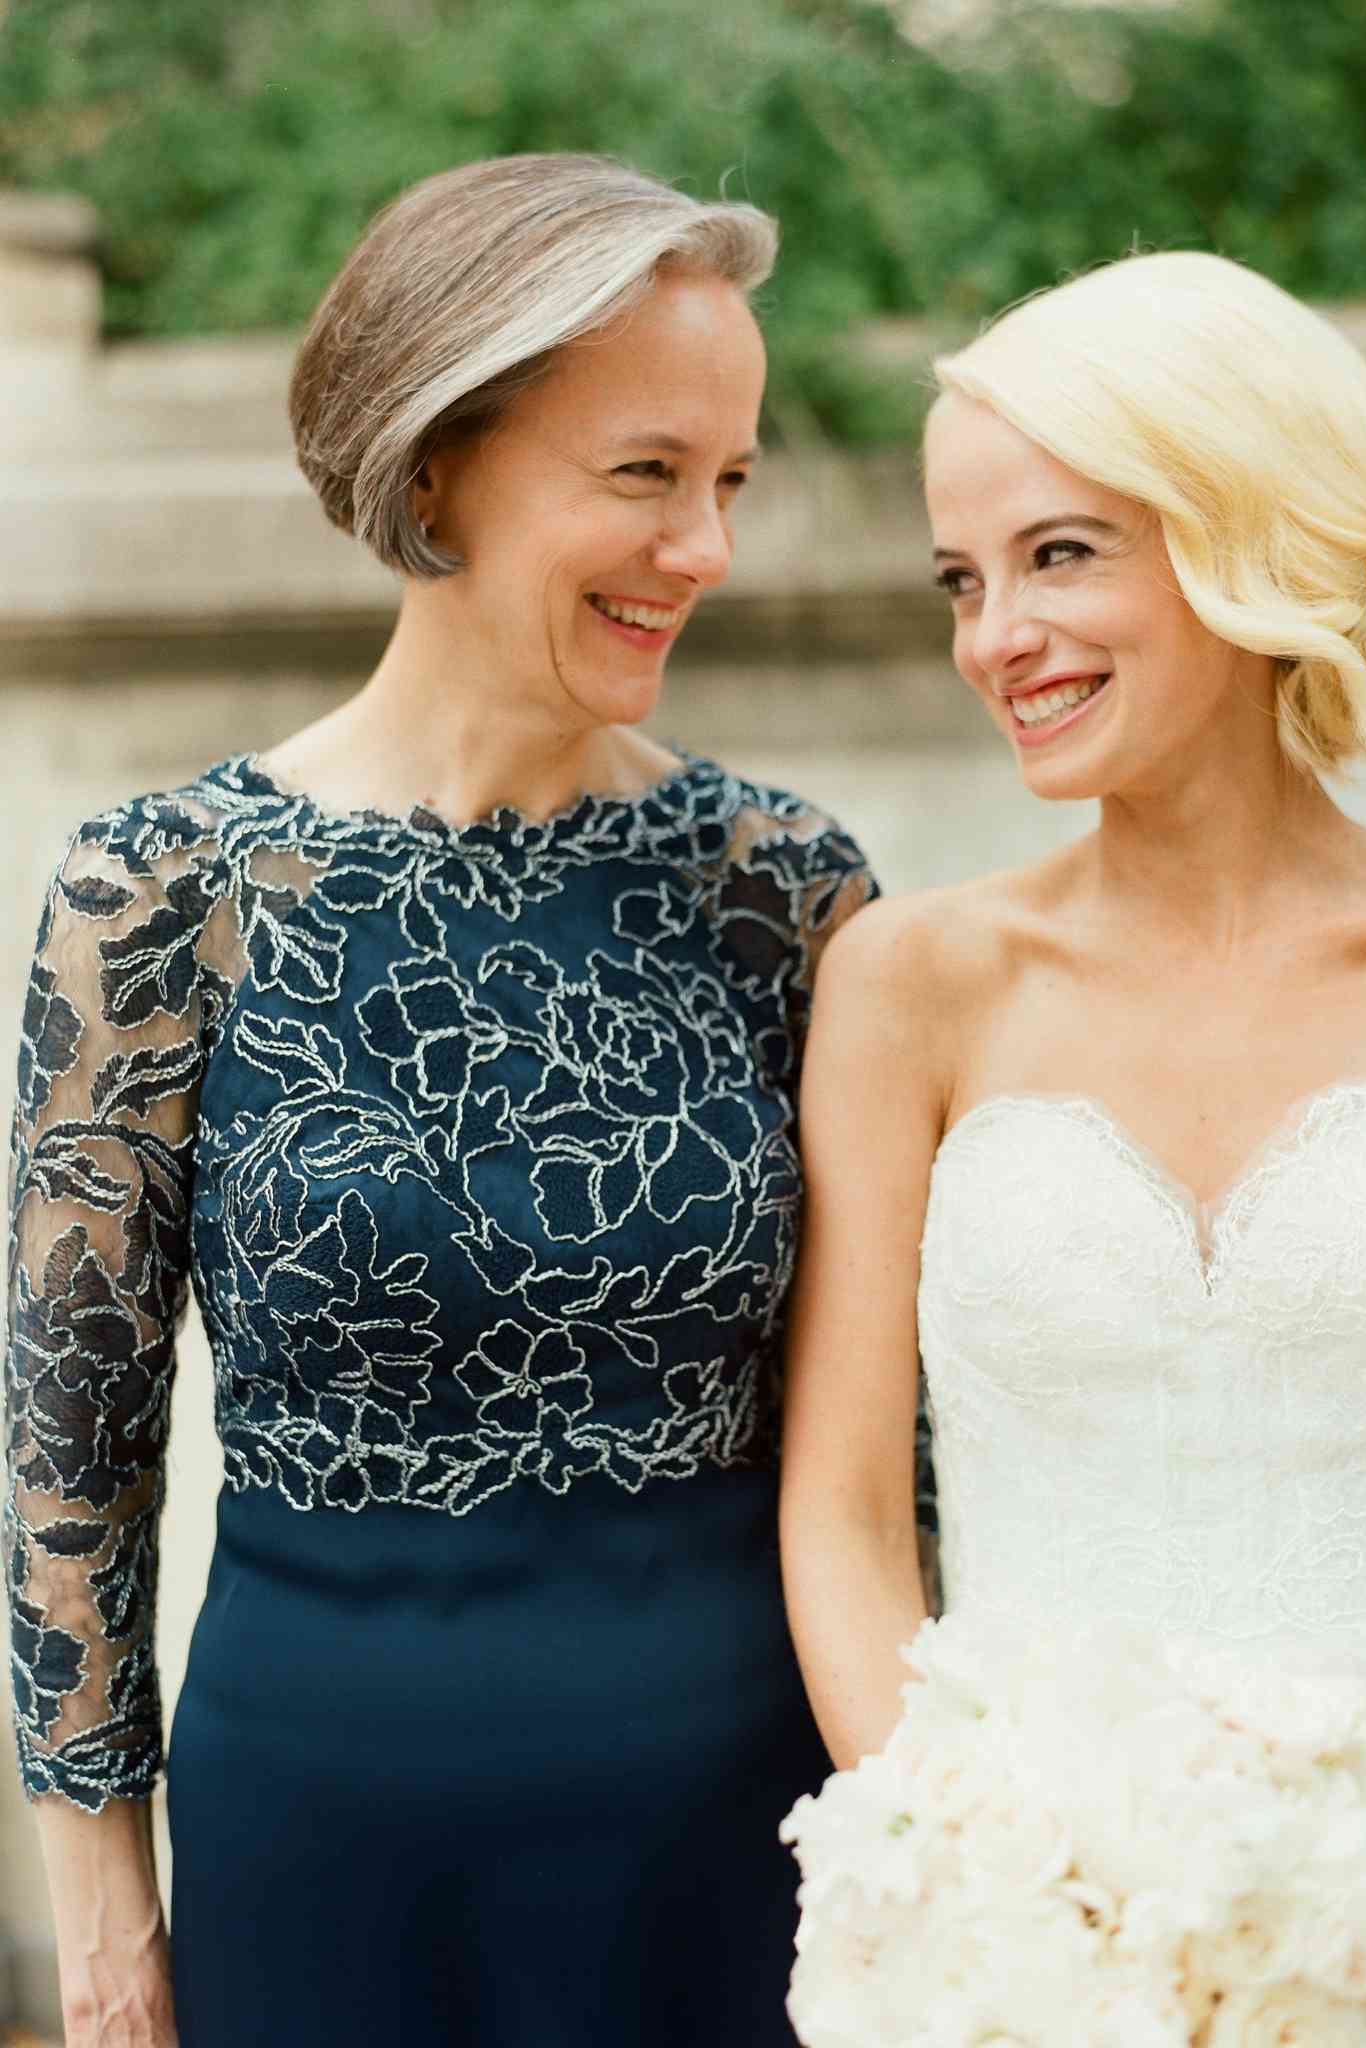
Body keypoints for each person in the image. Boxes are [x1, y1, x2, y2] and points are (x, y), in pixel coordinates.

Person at [6, 153, 878, 2048]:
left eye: (727, 481)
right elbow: (73, 1453)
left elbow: (892, 1439)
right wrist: (102, 1916)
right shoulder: (160, 894)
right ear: (432, 470)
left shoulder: (785, 890)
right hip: (314, 1843)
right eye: (645, 474)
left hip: (741, 1840)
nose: (707, 547)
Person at [779, 251, 1366, 2043]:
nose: (992, 637)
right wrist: (977, 1903)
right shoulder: (909, 984)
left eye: (1061, 555)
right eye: (963, 577)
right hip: (1015, 1963)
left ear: (1242, 536)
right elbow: (849, 1516)